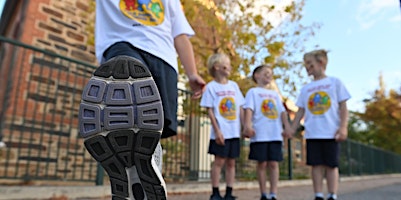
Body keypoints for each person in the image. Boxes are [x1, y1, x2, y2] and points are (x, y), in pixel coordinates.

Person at [78, 1, 205, 200]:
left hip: (163, 58)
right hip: (121, 46)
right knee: (128, 91)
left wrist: (192, 74)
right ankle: (134, 179)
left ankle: (142, 183)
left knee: (151, 127)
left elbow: (180, 35)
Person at [290, 49, 350, 200]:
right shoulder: (306, 89)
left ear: (321, 63)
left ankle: (332, 194)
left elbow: (343, 106)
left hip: (331, 132)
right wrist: (292, 128)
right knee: (315, 165)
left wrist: (343, 127)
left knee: (331, 165)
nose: (307, 67)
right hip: (313, 132)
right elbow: (300, 111)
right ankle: (318, 194)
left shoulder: (335, 82)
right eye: (305, 64)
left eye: (310, 64)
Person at [243, 64, 292, 200]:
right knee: (262, 163)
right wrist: (247, 125)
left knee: (273, 163)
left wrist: (287, 126)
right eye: (266, 72)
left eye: (271, 73)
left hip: (275, 134)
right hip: (260, 134)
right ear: (257, 75)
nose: (269, 75)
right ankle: (263, 193)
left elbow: (282, 112)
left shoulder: (275, 95)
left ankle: (273, 193)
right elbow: (249, 110)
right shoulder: (252, 92)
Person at [200, 53, 245, 200]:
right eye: (226, 64)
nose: (229, 67)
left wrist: (244, 126)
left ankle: (229, 192)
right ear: (217, 67)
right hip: (221, 132)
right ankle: (215, 192)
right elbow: (210, 110)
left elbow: (240, 107)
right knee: (219, 162)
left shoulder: (234, 86)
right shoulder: (211, 87)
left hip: (234, 132)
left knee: (231, 162)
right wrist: (217, 131)